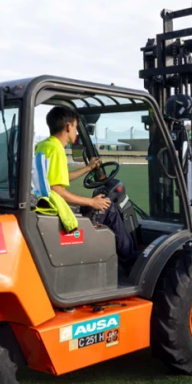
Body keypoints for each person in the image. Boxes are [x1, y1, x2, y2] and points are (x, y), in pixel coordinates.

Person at [35, 106, 137, 271]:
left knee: (99, 205)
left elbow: (59, 178)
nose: (75, 132)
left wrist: (88, 168)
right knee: (109, 207)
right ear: (68, 126)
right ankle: (131, 262)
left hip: (47, 206)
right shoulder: (56, 150)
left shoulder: (44, 146)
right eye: (75, 127)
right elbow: (56, 189)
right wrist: (92, 202)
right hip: (56, 209)